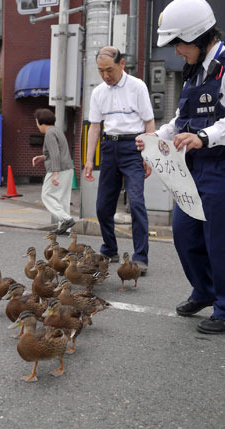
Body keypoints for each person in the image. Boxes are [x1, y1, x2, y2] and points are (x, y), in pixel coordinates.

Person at [136, 0, 225, 334]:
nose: (176, 51)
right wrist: (154, 135)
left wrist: (205, 136)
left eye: (178, 43)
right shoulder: (194, 73)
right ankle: (204, 291)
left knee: (218, 239)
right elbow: (179, 120)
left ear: (197, 36)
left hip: (220, 167)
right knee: (185, 232)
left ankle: (224, 306)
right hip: (193, 170)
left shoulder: (224, 66)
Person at [84, 46, 154, 273]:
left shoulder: (137, 87)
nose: (105, 75)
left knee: (136, 202)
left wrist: (148, 155)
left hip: (134, 147)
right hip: (109, 147)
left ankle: (140, 256)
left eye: (110, 70)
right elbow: (95, 127)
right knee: (103, 206)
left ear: (122, 64)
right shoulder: (98, 92)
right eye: (100, 70)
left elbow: (149, 123)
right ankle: (109, 249)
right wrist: (87, 161)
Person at [32, 108, 75, 235]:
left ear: (40, 122)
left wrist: (55, 173)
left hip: (58, 169)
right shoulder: (57, 131)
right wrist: (42, 157)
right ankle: (65, 228)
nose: (36, 125)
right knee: (63, 199)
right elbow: (57, 152)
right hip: (68, 169)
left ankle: (66, 219)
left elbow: (55, 154)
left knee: (46, 195)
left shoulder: (50, 133)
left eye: (36, 122)